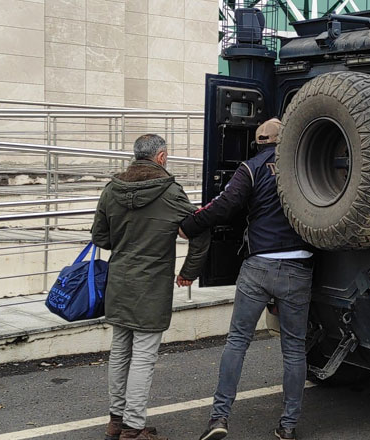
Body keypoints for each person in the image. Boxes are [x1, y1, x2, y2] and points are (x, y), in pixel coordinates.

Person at [181, 118, 314, 440]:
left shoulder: (250, 168)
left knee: (238, 342)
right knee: (294, 349)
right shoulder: (306, 167)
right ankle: (288, 425)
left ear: (259, 141)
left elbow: (225, 205)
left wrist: (191, 225)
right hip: (299, 267)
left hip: (259, 266)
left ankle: (219, 419)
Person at [92, 134, 210, 440]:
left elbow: (101, 238)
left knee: (120, 352)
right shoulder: (170, 192)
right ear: (160, 157)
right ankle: (133, 427)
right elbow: (199, 231)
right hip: (152, 285)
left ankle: (116, 422)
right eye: (166, 155)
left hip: (119, 282)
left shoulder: (111, 189)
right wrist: (188, 271)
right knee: (143, 355)